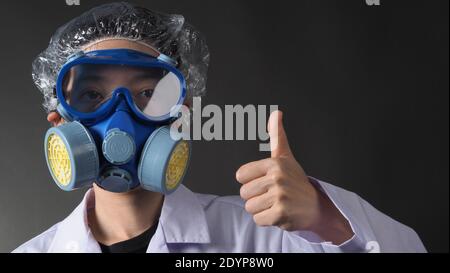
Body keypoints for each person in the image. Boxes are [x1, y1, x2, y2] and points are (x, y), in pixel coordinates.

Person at [13, 2, 425, 253]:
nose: (120, 118)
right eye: (91, 97)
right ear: (60, 119)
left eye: (148, 95)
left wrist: (327, 219)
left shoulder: (267, 238)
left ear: (182, 114)